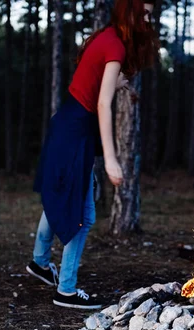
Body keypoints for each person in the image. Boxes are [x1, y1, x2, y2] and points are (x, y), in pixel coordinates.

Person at [26, 0, 160, 309]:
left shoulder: (108, 37)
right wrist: (111, 159)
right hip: (76, 132)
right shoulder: (115, 47)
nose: (149, 21)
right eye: (146, 14)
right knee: (83, 216)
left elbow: (94, 82)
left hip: (67, 124)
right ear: (132, 11)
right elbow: (101, 105)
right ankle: (67, 291)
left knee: (61, 197)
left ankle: (39, 262)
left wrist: (120, 84)